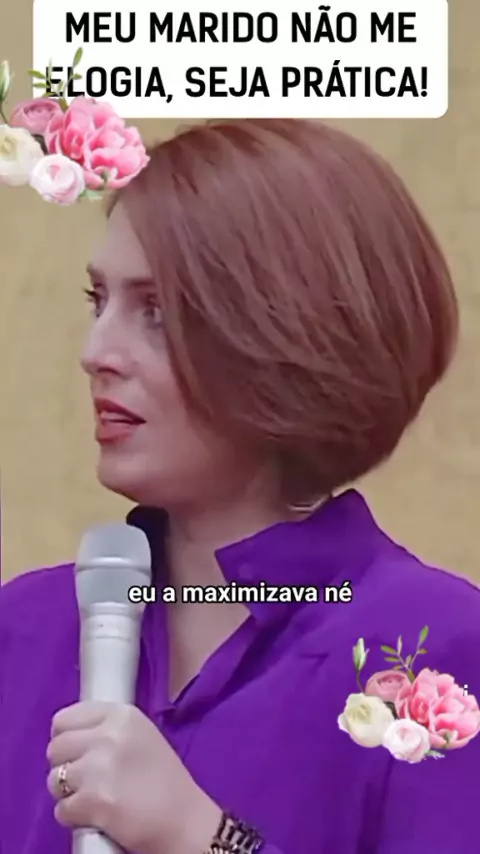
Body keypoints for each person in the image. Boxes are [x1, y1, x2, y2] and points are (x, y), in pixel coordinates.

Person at [1, 118, 479, 854]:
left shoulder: (429, 653)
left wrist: (205, 838)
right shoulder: (22, 632)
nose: (96, 353)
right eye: (98, 301)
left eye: (157, 312)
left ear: (293, 337)